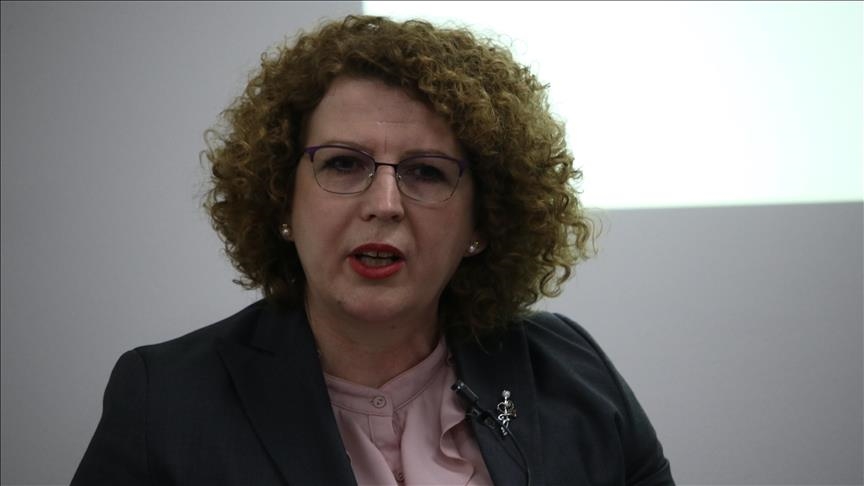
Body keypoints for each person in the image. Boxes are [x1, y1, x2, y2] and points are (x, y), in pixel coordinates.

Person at [72, 15, 674, 486]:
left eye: (426, 172)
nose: (384, 204)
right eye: (343, 164)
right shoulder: (165, 400)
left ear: (482, 222)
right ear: (282, 200)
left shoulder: (572, 370)